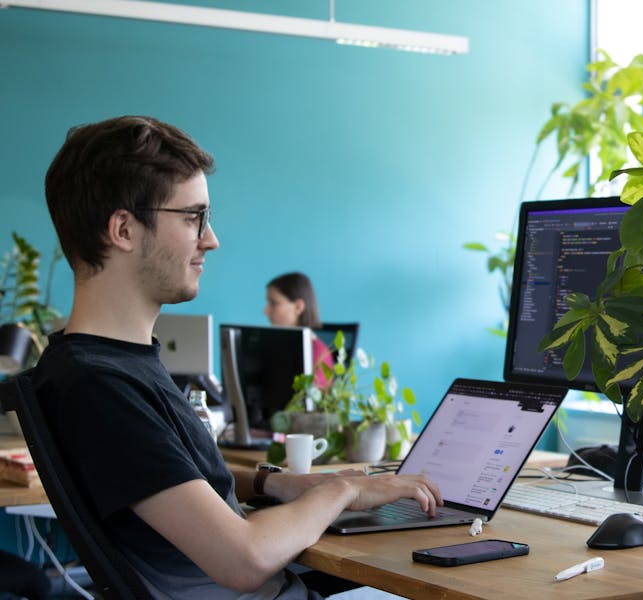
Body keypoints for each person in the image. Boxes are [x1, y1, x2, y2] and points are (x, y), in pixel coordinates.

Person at [32, 115, 442, 599]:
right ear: (123, 228)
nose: (211, 238)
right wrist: (343, 490)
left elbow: (167, 483)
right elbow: (244, 559)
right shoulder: (99, 386)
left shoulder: (104, 365)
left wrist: (274, 484)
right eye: (194, 217)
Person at [264, 272, 335, 387]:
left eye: (273, 303)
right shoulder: (276, 346)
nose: (266, 311)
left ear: (298, 307)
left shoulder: (318, 353)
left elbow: (312, 403)